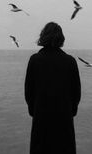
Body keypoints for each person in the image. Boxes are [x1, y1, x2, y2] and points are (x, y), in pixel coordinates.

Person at [24, 22, 81, 154]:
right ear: (61, 39)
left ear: (43, 37)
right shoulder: (70, 61)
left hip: (41, 120)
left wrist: (34, 111)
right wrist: (70, 111)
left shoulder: (35, 60)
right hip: (64, 121)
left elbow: (29, 93)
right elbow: (76, 93)